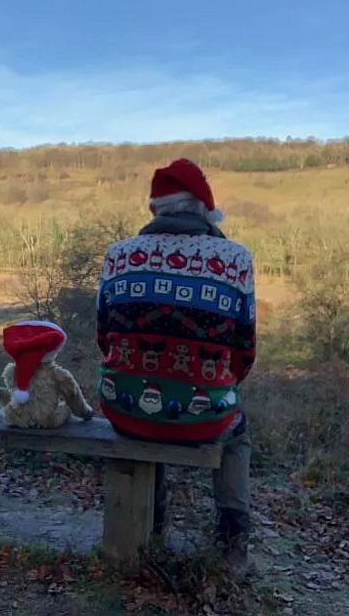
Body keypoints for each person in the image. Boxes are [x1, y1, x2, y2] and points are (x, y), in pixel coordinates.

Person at [96, 158, 256, 572]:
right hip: (205, 419)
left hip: (123, 408)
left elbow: (102, 336)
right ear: (205, 209)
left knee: (152, 400)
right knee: (235, 432)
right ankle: (232, 542)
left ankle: (153, 527)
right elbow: (245, 350)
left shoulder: (118, 256)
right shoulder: (235, 259)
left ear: (155, 209)